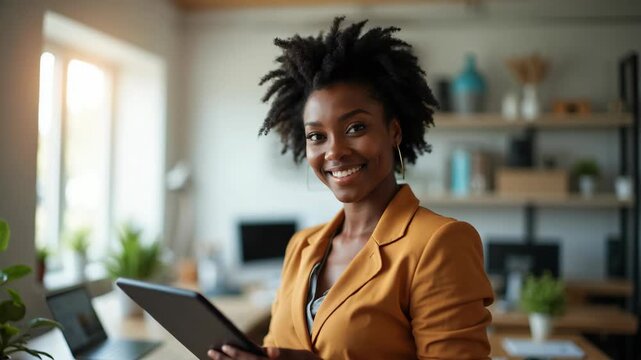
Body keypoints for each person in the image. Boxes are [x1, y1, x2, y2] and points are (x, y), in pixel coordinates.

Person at [208, 17, 493, 360]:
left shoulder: (439, 243)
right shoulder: (301, 247)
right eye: (317, 136)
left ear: (394, 132)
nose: (334, 151)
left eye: (356, 127)